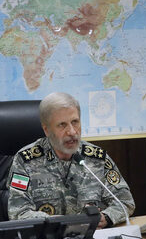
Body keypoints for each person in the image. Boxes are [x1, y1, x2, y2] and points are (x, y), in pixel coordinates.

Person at [7, 92, 135, 227]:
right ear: (47, 130)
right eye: (62, 125)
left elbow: (125, 202)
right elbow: (18, 213)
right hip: (48, 237)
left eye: (75, 122)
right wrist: (59, 223)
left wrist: (107, 217)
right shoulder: (25, 161)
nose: (72, 132)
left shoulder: (96, 158)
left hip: (93, 236)